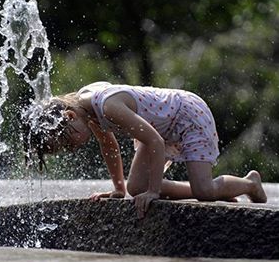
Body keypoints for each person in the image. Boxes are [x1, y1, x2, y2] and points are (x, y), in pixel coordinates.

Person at [24, 81, 267, 218]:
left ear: (69, 115)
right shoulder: (86, 108)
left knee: (202, 191)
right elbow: (108, 145)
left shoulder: (107, 107)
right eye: (65, 148)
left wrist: (153, 191)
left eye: (68, 141)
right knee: (134, 188)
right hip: (158, 126)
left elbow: (155, 142)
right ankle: (218, 190)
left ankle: (249, 183)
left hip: (186, 116)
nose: (72, 148)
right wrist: (118, 189)